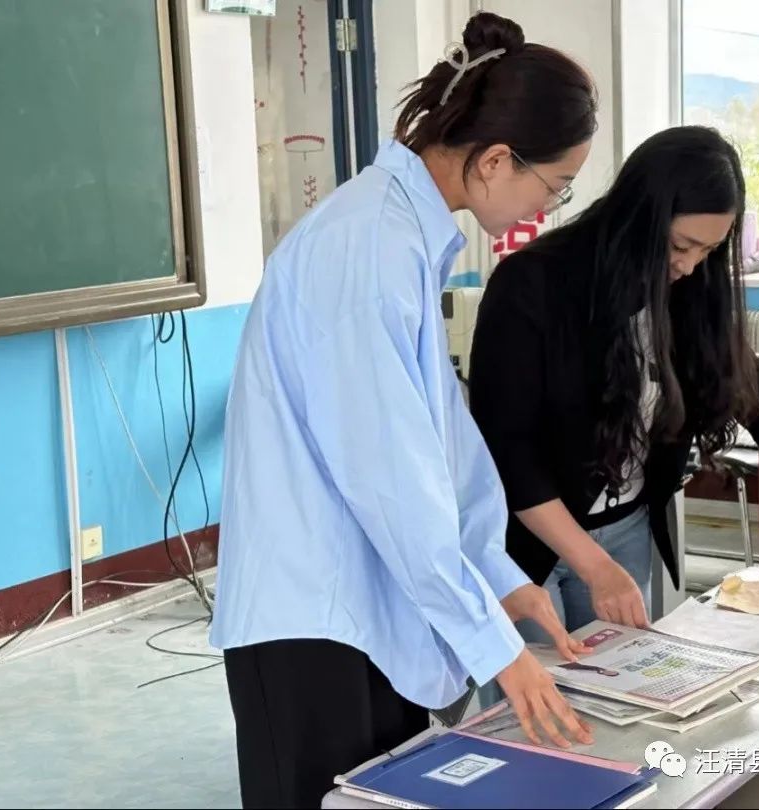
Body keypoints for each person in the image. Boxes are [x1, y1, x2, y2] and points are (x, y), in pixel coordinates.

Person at [208, 13, 599, 808]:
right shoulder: (368, 249)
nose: (549, 207)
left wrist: (498, 577)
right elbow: (391, 479)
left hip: (367, 605)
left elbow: (441, 451)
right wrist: (496, 648)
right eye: (554, 187)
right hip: (311, 616)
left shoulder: (406, 237)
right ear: (495, 161)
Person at [468, 126, 759, 654]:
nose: (689, 265)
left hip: (624, 528)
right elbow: (513, 459)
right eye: (680, 245)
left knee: (619, 700)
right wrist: (596, 567)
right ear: (639, 219)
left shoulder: (688, 287)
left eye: (709, 251)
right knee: (542, 721)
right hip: (528, 544)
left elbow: (752, 385)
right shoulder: (532, 287)